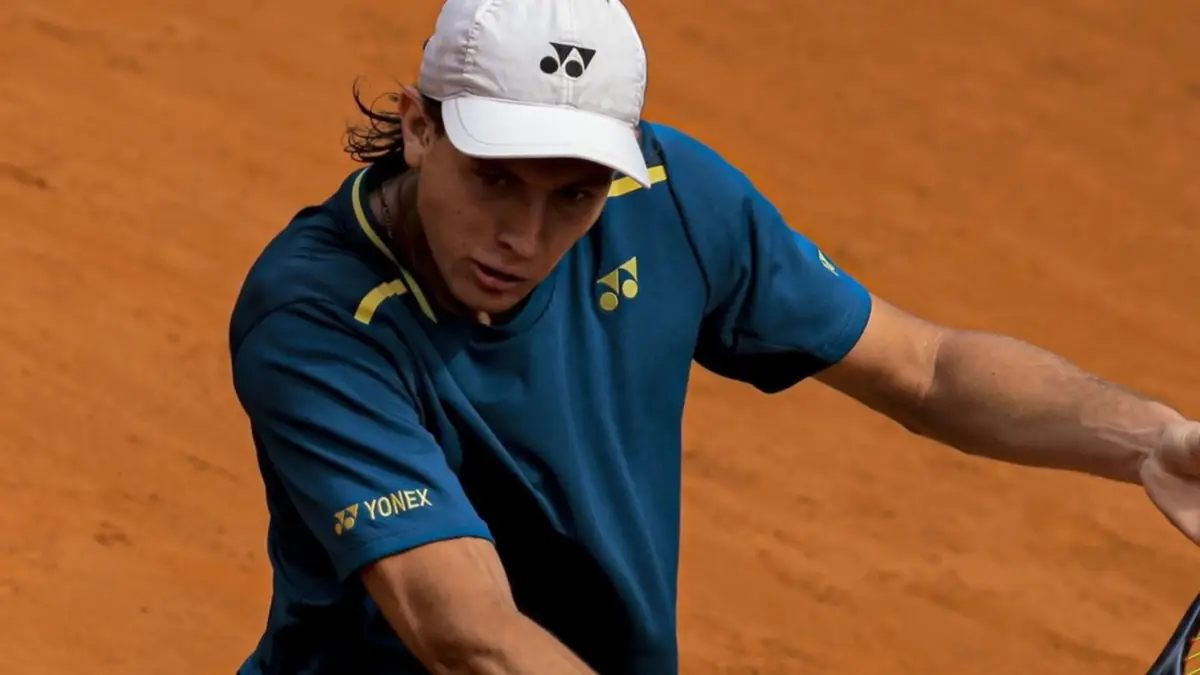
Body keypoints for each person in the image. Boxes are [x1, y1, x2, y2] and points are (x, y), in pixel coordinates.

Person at [227, 0, 1200, 672]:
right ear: (419, 129)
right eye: (495, 179)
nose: (523, 236)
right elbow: (468, 632)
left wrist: (1149, 440)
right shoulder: (316, 319)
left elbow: (927, 367)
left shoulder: (667, 198)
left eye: (573, 195)